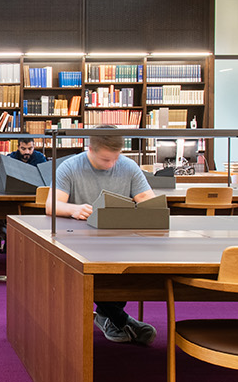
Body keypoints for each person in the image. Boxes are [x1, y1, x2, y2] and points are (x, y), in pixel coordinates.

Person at [50, 129, 157, 346]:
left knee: (127, 269)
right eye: (106, 159)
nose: (112, 164)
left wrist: (146, 210)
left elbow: (148, 201)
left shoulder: (127, 166)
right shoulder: (70, 167)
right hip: (79, 241)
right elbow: (51, 204)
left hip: (118, 240)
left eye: (116, 158)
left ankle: (108, 316)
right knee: (94, 271)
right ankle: (120, 319)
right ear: (90, 150)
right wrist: (73, 209)